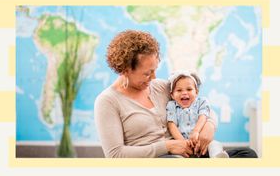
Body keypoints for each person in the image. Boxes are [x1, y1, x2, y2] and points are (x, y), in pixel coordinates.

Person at [94, 29, 258, 158]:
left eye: (155, 70)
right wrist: (167, 146)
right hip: (159, 160)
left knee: (248, 154)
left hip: (187, 152)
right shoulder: (108, 101)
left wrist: (209, 127)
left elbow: (201, 106)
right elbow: (115, 155)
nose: (153, 77)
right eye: (147, 73)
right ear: (126, 70)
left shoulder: (160, 87)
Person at [166, 71, 228, 158]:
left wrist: (196, 131)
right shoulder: (172, 105)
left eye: (189, 89)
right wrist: (182, 142)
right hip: (183, 144)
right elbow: (171, 125)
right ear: (172, 95)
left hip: (201, 142)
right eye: (179, 90)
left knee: (214, 145)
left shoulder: (201, 102)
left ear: (196, 92)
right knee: (176, 156)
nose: (184, 93)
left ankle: (217, 157)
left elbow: (203, 116)